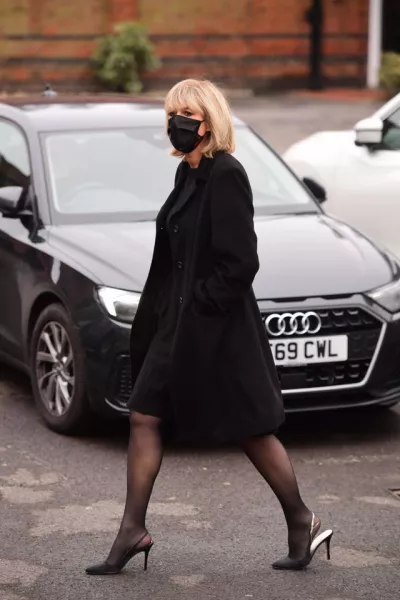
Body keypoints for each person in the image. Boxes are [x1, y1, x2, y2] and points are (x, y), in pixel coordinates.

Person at [86, 79, 333, 576]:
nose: (176, 123)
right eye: (171, 113)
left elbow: (240, 263)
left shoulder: (227, 175)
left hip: (217, 329)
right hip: (176, 325)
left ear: (209, 121)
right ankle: (133, 529)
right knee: (144, 414)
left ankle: (302, 519)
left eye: (187, 114)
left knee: (252, 430)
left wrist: (199, 308)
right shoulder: (187, 173)